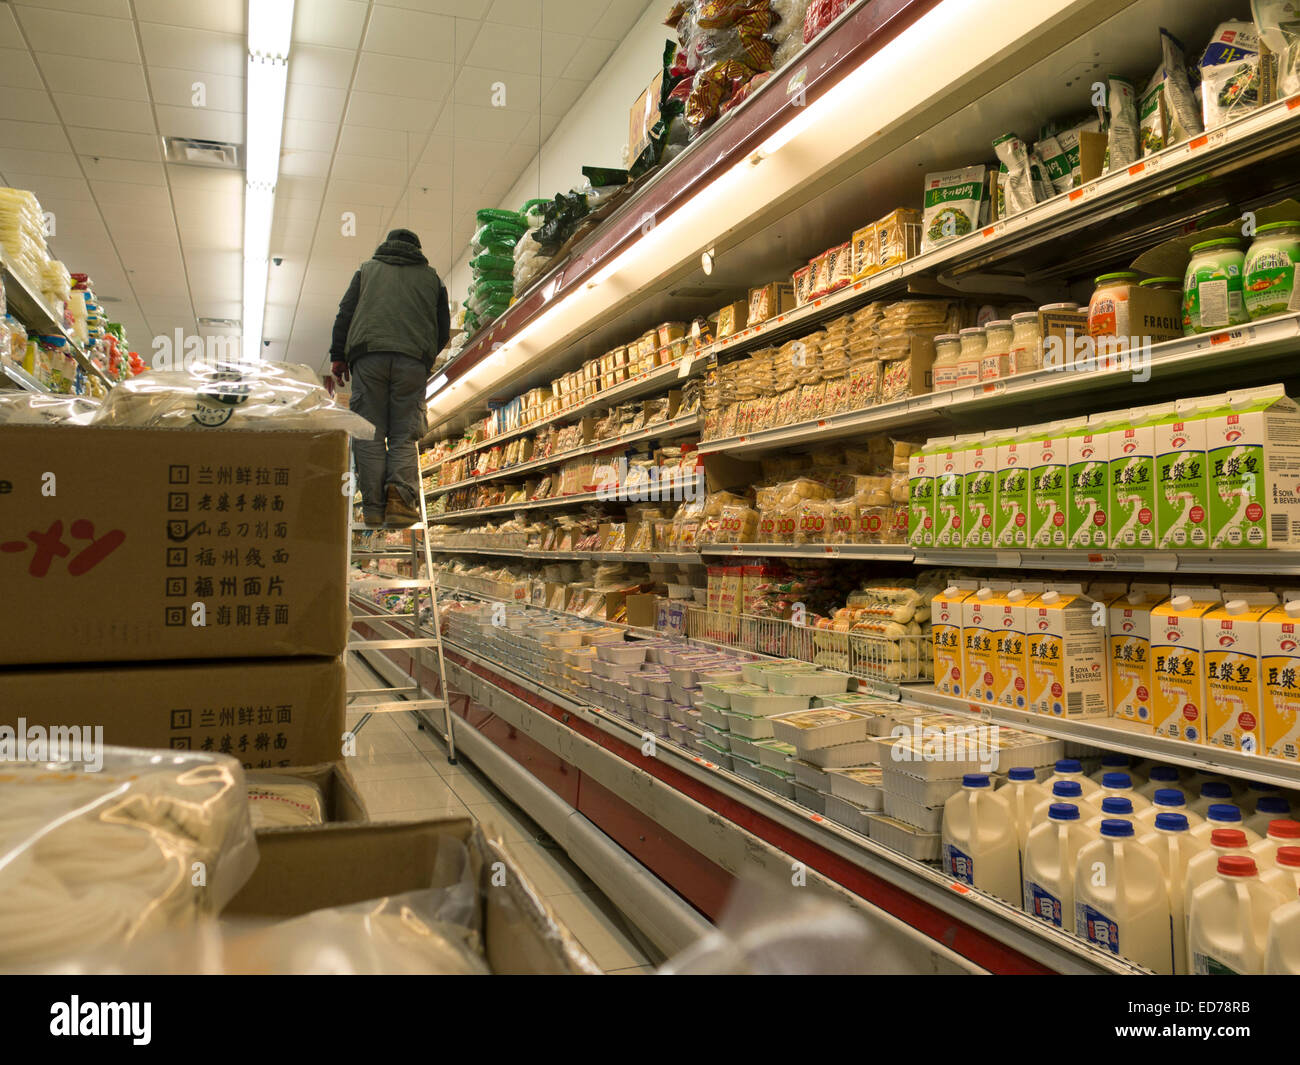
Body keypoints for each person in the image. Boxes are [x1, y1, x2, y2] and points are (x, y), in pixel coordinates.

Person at [330, 228, 450, 527]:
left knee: (369, 432)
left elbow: (345, 312)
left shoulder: (366, 271)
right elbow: (442, 328)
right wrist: (423, 356)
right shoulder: (432, 279)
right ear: (418, 249)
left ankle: (372, 507)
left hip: (369, 356)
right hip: (412, 362)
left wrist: (338, 355)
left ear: (385, 246)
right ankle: (399, 502)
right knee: (403, 435)